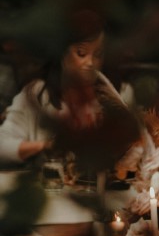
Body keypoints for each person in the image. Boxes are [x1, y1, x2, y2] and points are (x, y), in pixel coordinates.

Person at [0, 10, 137, 168]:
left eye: (98, 54)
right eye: (81, 53)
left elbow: (139, 147)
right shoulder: (38, 94)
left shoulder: (121, 93)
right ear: (62, 55)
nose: (90, 63)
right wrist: (44, 146)